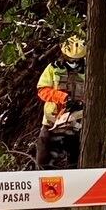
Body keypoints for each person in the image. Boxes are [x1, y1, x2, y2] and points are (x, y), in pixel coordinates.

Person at [36, 36, 85, 169]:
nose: (74, 62)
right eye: (71, 59)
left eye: (77, 60)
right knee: (43, 157)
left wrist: (80, 103)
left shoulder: (88, 71)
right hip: (52, 121)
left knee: (75, 160)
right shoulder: (53, 68)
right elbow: (42, 90)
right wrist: (63, 98)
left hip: (76, 123)